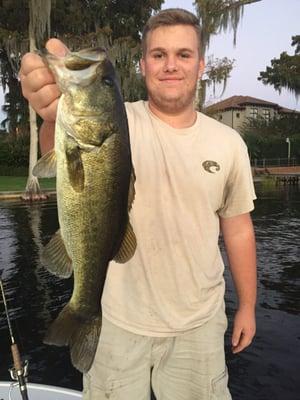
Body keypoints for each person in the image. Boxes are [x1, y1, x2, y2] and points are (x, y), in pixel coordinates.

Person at [20, 8, 257, 400]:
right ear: (143, 63)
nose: (170, 65)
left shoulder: (229, 143)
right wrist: (50, 117)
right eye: (159, 54)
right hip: (116, 321)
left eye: (183, 55)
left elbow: (239, 229)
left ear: (200, 65)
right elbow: (62, 156)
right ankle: (84, 309)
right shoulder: (119, 119)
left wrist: (247, 306)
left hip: (198, 324)